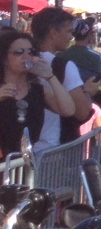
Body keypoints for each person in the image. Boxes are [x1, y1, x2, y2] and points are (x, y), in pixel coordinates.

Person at [0, 28, 78, 156]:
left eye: (31, 52)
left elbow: (68, 110)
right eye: (19, 52)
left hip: (25, 162)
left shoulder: (37, 89)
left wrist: (50, 77)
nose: (26, 57)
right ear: (4, 59)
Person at [28, 8, 95, 147]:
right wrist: (87, 91)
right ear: (53, 32)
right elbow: (82, 112)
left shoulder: (19, 61)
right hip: (53, 147)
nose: (71, 37)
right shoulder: (64, 67)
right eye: (69, 31)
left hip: (19, 148)